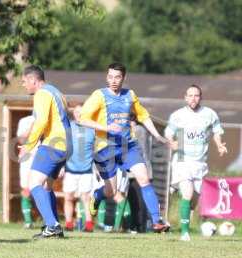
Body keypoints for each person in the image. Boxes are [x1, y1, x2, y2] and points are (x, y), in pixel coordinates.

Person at [80, 62, 170, 233]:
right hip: (105, 148)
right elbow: (82, 119)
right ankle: (97, 197)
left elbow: (143, 116)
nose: (113, 80)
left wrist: (157, 135)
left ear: (124, 78)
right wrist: (106, 128)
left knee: (144, 178)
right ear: (107, 77)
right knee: (110, 191)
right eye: (110, 76)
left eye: (117, 77)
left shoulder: (130, 95)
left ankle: (157, 221)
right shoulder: (99, 95)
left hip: (128, 146)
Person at [164, 84, 227, 241]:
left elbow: (217, 131)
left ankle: (178, 194)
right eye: (190, 95)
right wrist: (171, 142)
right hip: (182, 160)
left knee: (194, 200)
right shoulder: (178, 115)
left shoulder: (210, 114)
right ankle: (185, 233)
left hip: (200, 164)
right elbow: (168, 133)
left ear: (200, 97)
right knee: (188, 193)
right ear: (185, 97)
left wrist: (219, 144)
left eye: (196, 95)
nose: (193, 98)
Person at [19, 65, 71, 239]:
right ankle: (55, 227)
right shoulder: (56, 92)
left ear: (34, 80)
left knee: (33, 183)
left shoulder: (41, 94)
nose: (23, 84)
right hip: (67, 144)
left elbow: (41, 121)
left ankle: (52, 225)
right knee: (47, 186)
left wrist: (29, 144)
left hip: (53, 143)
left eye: (24, 81)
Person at [62, 105, 95, 232]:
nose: (78, 114)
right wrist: (61, 166)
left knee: (85, 198)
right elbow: (63, 147)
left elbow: (97, 148)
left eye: (81, 112)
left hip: (86, 169)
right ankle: (69, 224)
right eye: (76, 112)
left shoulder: (92, 128)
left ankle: (88, 225)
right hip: (70, 168)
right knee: (68, 197)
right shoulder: (69, 127)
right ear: (73, 114)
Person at [17, 114, 36, 228]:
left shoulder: (49, 119)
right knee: (26, 190)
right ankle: (28, 221)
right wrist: (33, 126)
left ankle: (50, 222)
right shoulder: (25, 121)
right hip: (27, 157)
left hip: (42, 156)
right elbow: (21, 139)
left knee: (43, 190)